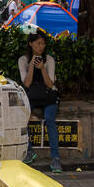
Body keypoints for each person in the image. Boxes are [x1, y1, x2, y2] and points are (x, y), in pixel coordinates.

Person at [19, 31, 62, 173]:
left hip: (48, 96)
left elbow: (50, 84)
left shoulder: (49, 59)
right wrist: (31, 66)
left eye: (43, 44)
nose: (41, 47)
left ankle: (55, 159)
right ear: (31, 44)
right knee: (22, 118)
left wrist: (42, 68)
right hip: (32, 96)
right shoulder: (23, 60)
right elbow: (27, 83)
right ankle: (29, 151)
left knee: (50, 119)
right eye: (38, 44)